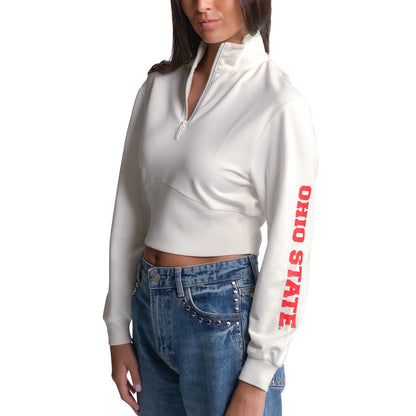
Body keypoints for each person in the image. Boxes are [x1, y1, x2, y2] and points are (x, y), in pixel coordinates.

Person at [103, 0, 318, 415]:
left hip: (223, 317)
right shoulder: (158, 87)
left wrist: (258, 375)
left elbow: (292, 247)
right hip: (148, 306)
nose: (202, 5)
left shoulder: (278, 103)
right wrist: (117, 327)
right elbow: (129, 209)